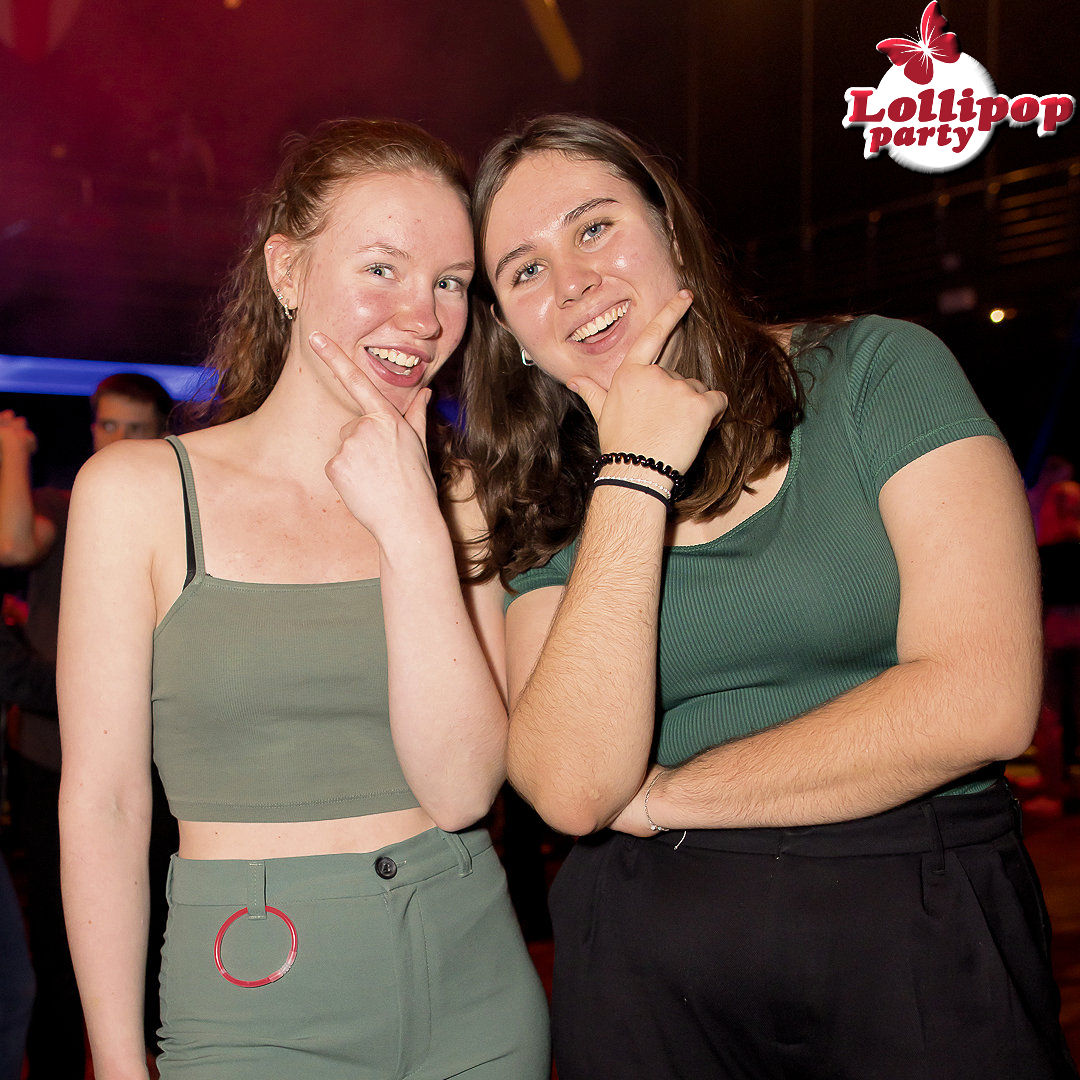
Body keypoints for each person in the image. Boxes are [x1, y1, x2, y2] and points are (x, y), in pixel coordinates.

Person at [461, 114, 1079, 1080]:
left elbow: (984, 699)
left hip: (913, 920)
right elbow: (574, 788)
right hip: (647, 966)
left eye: (594, 227)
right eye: (525, 269)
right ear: (511, 332)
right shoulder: (543, 493)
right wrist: (632, 472)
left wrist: (670, 795)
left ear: (672, 231)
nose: (571, 280)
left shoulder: (875, 372)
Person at [58, 118, 549, 1080]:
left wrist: (412, 527)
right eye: (382, 269)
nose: (422, 316)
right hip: (253, 988)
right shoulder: (139, 492)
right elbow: (104, 803)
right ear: (287, 270)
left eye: (451, 281)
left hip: (473, 973)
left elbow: (463, 789)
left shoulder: (458, 493)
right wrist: (115, 1060)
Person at [0, 373, 172, 1080]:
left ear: (164, 435)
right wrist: (13, 451)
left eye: (136, 429)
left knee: (153, 934)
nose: (119, 441)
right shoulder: (61, 506)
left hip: (153, 762)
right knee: (58, 939)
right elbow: (14, 546)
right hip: (53, 758)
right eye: (108, 426)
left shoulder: (176, 514)